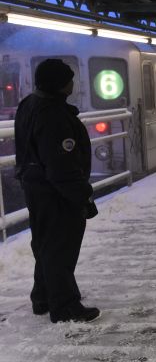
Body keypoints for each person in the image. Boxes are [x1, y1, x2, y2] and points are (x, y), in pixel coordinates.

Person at [14, 58, 100, 323]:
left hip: (36, 187)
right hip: (56, 192)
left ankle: (43, 297)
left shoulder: (28, 104)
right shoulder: (53, 114)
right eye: (69, 79)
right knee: (61, 247)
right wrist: (82, 195)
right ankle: (64, 306)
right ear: (60, 84)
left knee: (45, 244)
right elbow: (60, 165)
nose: (73, 83)